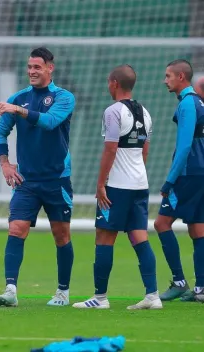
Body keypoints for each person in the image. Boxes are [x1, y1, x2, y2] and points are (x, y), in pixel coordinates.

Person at [0, 47, 75, 307]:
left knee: (61, 235)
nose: (31, 72)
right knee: (16, 229)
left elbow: (49, 122)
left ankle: (62, 292)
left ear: (50, 68)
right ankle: (10, 290)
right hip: (26, 181)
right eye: (29, 67)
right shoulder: (20, 97)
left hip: (56, 180)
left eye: (37, 67)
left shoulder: (64, 97)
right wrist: (5, 164)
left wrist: (18, 110)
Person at [72, 65, 161, 310]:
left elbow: (111, 148)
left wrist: (101, 183)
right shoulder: (146, 112)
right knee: (139, 235)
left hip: (118, 186)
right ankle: (153, 295)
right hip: (139, 184)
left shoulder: (113, 112)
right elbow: (145, 150)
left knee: (104, 235)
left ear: (113, 83)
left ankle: (100, 298)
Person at [154, 60, 204, 303]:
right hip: (201, 172)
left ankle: (179, 281)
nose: (165, 81)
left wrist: (169, 182)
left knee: (161, 223)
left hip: (189, 173)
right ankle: (201, 289)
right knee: (198, 227)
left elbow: (184, 146)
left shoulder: (187, 104)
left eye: (168, 76)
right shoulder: (200, 101)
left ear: (181, 77)